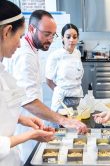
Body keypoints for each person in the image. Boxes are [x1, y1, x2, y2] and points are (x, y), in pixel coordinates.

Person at [3, 10, 87, 162]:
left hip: (26, 120)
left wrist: (20, 118)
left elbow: (12, 93)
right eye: (46, 34)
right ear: (31, 29)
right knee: (29, 157)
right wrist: (64, 120)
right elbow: (28, 100)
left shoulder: (31, 50)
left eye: (52, 35)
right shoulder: (25, 55)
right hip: (22, 130)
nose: (50, 39)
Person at [0, 0, 55, 166]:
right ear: (7, 31)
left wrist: (21, 119)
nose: (19, 43)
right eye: (19, 36)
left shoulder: (2, 68)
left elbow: (5, 102)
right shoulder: (24, 55)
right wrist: (30, 135)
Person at [45, 23, 83, 112]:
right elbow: (48, 81)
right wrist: (59, 91)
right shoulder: (55, 56)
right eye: (68, 37)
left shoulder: (77, 53)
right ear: (62, 38)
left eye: (75, 37)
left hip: (77, 97)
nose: (72, 40)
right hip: (61, 100)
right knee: (61, 125)